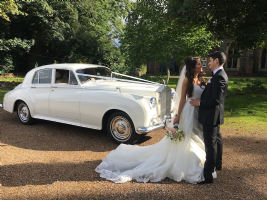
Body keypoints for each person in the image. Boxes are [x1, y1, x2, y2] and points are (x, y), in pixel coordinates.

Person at [95, 57, 216, 184]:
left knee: (197, 135)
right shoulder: (187, 79)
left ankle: (197, 159)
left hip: (199, 112)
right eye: (199, 64)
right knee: (187, 136)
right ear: (192, 67)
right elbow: (182, 100)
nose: (202, 66)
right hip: (188, 112)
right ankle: (186, 162)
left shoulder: (202, 79)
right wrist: (178, 116)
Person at [190, 51, 228, 184]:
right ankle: (218, 164)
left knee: (210, 145)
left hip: (211, 115)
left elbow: (216, 100)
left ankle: (208, 176)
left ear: (216, 61)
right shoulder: (217, 75)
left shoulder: (219, 77)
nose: (208, 63)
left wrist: (199, 103)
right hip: (214, 115)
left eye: (210, 60)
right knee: (217, 139)